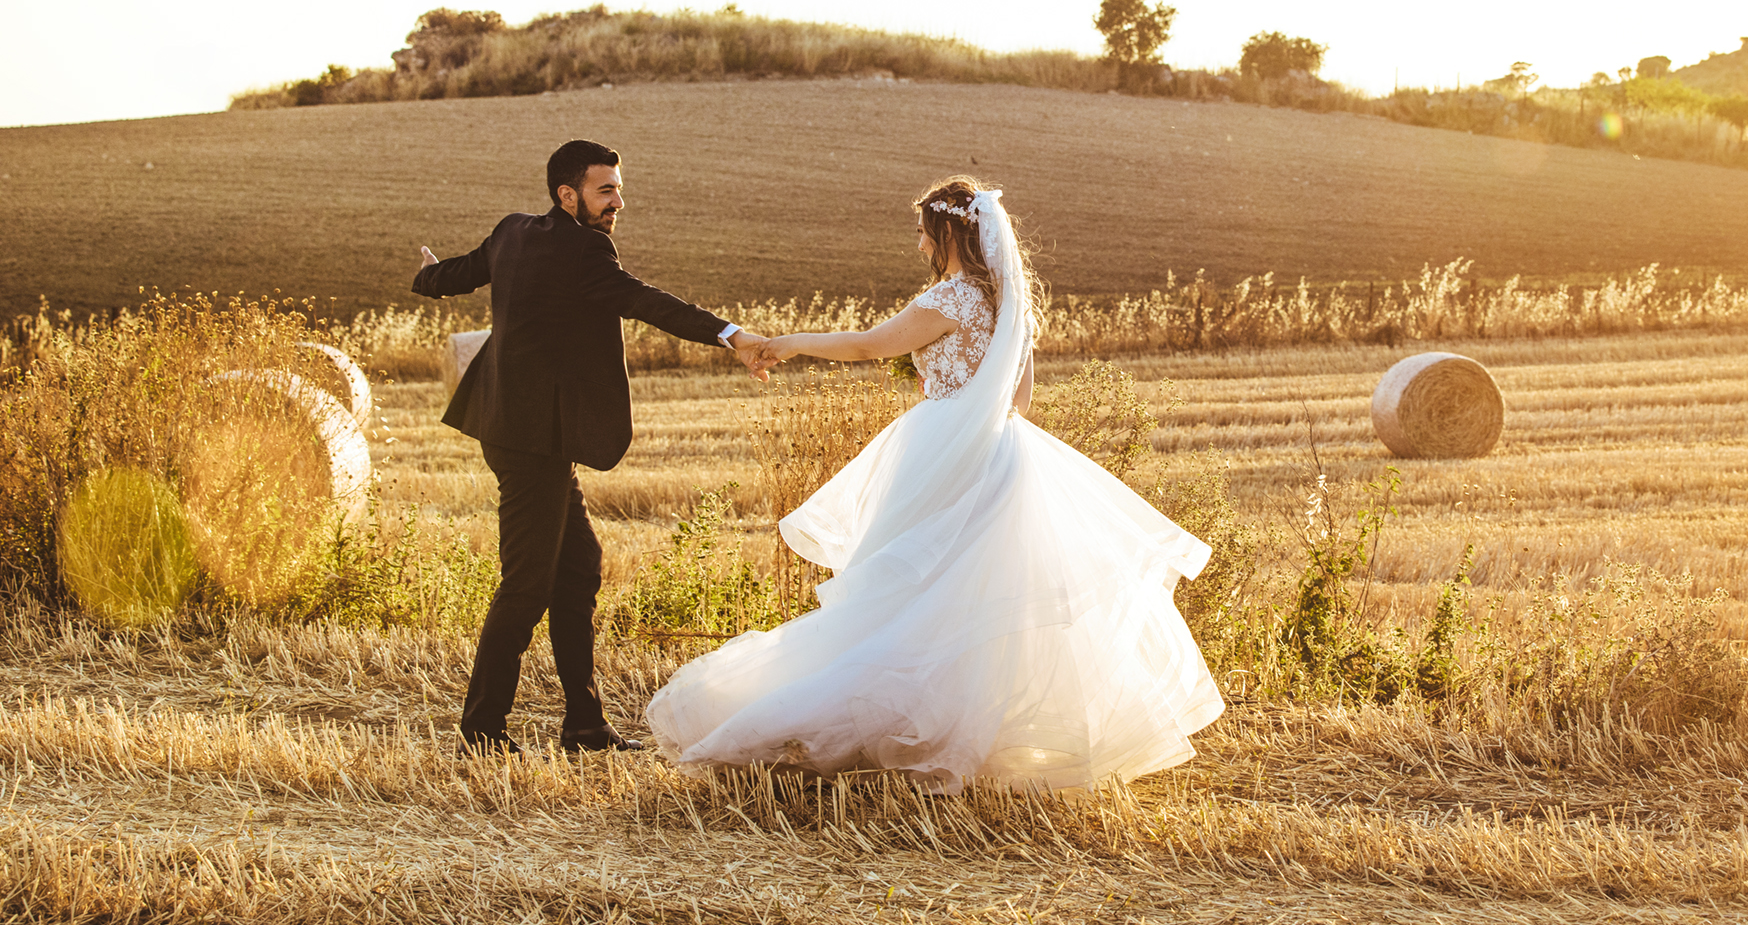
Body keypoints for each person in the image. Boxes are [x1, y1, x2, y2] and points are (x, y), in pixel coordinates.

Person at [646, 176, 1224, 791]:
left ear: (947, 230)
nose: (919, 243)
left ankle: (853, 723)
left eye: (923, 230)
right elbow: (1020, 399)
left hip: (942, 449)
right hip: (1000, 454)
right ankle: (970, 737)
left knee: (905, 591)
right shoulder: (1009, 305)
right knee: (972, 602)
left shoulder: (952, 298)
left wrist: (786, 344)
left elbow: (870, 345)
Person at [413, 139, 771, 756]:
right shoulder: (585, 250)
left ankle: (583, 725)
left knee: (578, 571)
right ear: (567, 194)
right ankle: (482, 732)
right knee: (526, 584)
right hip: (532, 442)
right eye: (606, 190)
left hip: (521, 433)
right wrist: (731, 335)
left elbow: (456, 275)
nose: (618, 202)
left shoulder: (511, 233)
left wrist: (426, 273)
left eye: (618, 188)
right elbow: (647, 302)